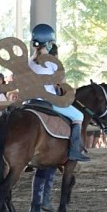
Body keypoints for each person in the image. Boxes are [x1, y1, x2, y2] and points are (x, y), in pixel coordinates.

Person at [28, 23, 90, 162]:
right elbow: (63, 86)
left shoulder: (28, 62)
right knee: (78, 116)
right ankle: (74, 151)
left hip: (30, 102)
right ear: (49, 44)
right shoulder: (53, 62)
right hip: (48, 101)